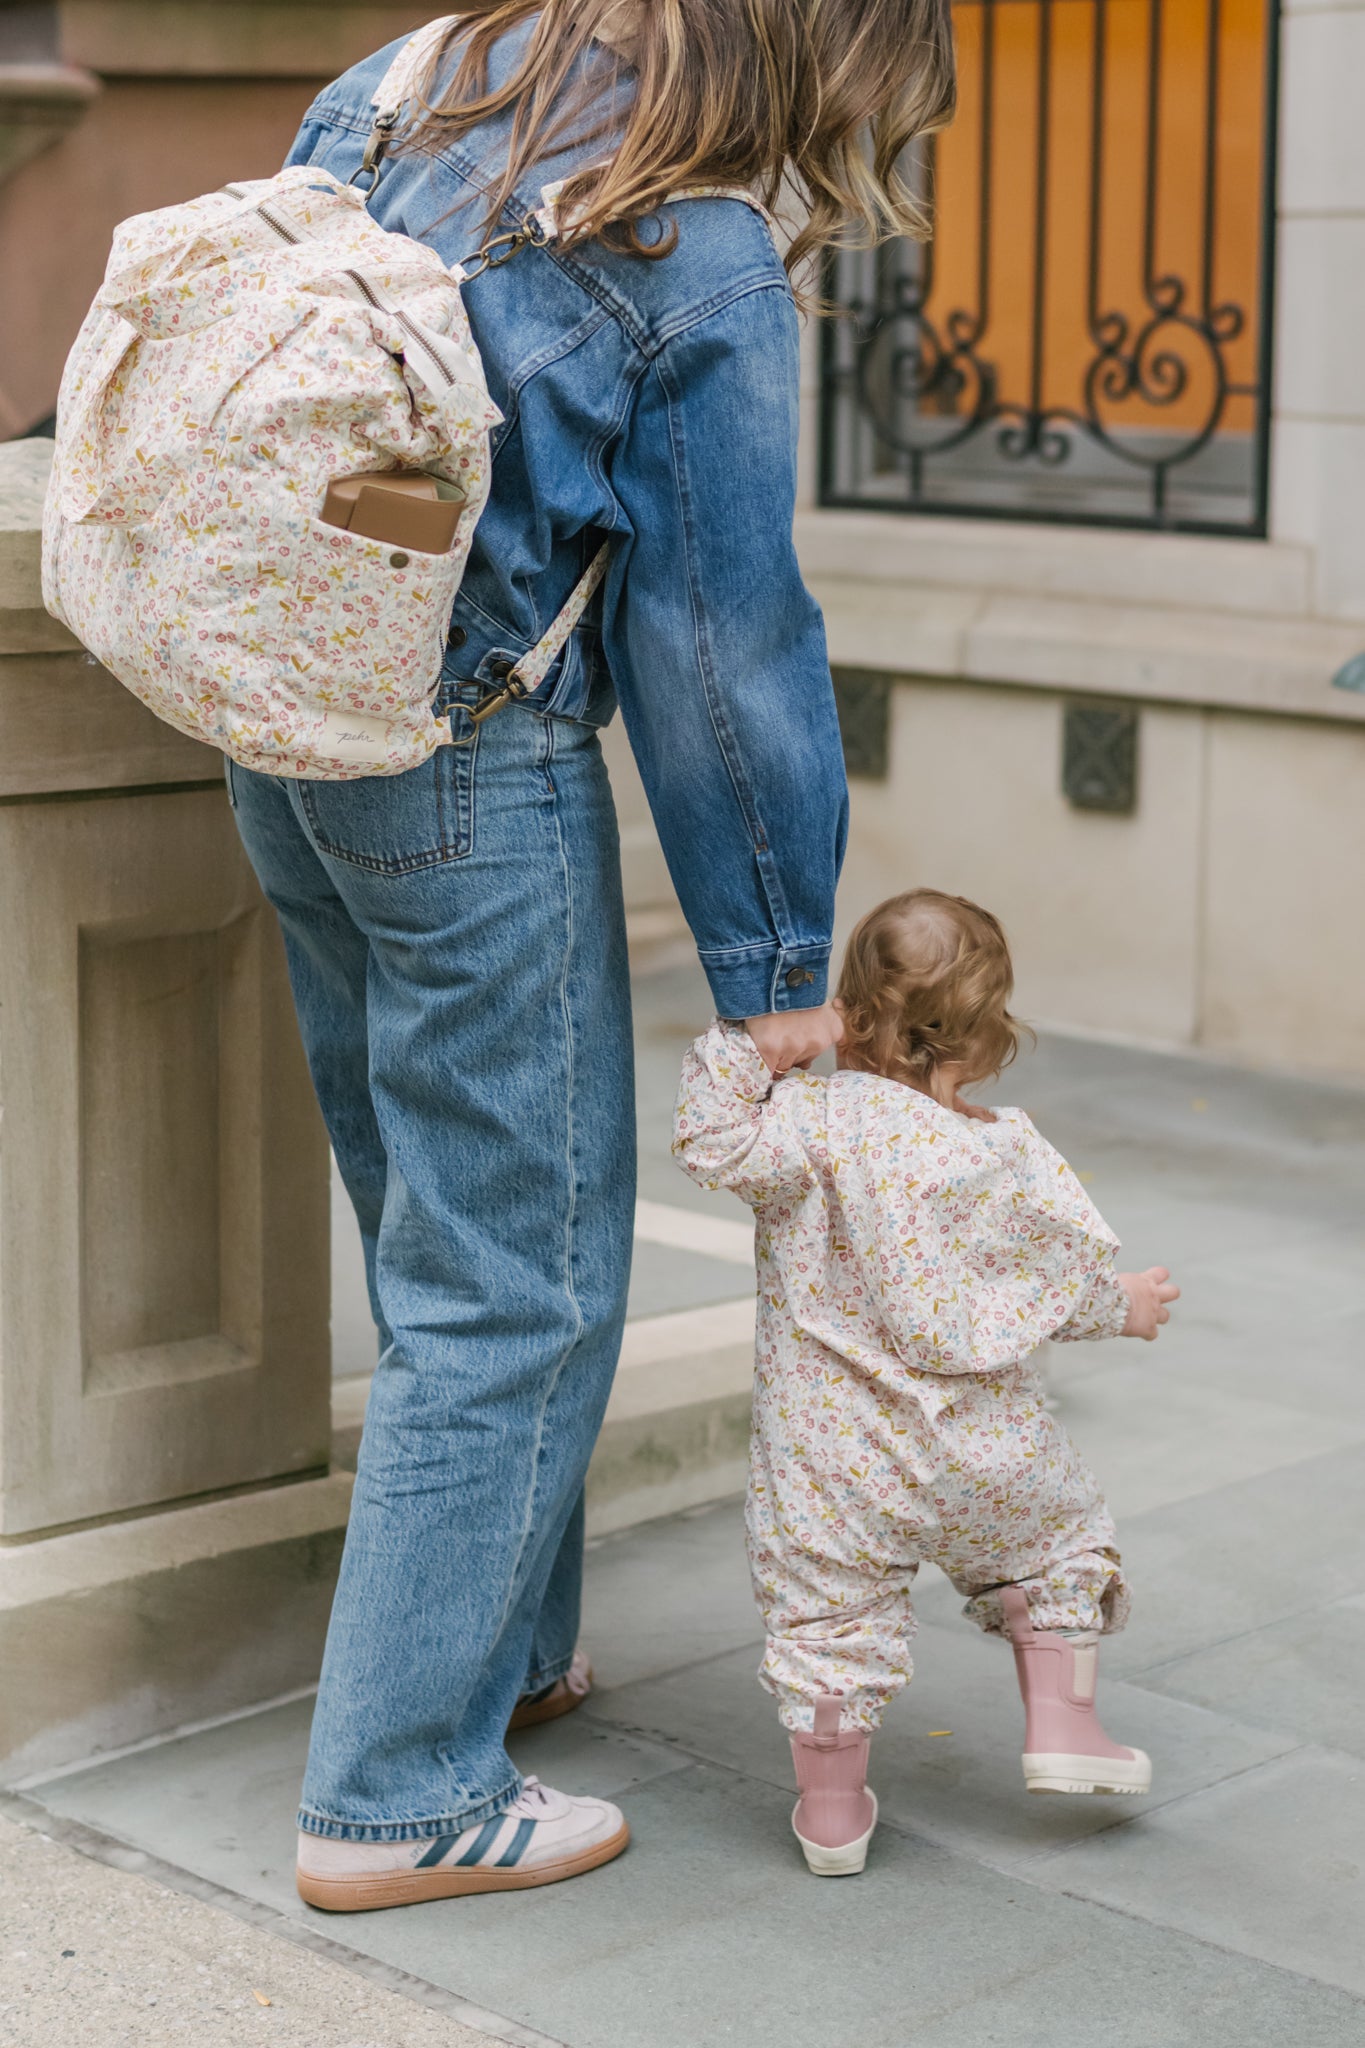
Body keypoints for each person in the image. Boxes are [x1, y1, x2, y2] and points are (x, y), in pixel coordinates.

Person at [226, 0, 955, 1912]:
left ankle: (503, 1659)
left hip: (290, 720)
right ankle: (392, 1791)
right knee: (523, 1285)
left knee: (436, 1235)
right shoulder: (686, 245)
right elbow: (723, 652)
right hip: (471, 762)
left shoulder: (401, 83)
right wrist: (781, 963)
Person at [672, 888, 1180, 1876]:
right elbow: (1047, 1284)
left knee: (827, 1618)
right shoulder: (1001, 1151)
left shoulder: (805, 1127)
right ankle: (1064, 1725)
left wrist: (770, 1039)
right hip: (986, 1447)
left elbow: (706, 1134)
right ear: (988, 1036)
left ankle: (831, 1813)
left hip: (837, 1463)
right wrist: (1121, 1302)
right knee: (1055, 1546)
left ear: (851, 1012)